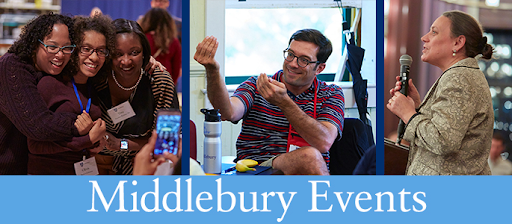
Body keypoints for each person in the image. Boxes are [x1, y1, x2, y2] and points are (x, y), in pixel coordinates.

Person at [194, 29, 345, 175]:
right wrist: (213, 71)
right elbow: (227, 112)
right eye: (290, 55)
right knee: (308, 157)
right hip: (259, 169)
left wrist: (284, 103)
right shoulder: (258, 85)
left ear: (319, 68)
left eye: (304, 60)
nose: (292, 64)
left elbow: (323, 142)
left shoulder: (331, 94)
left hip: (308, 172)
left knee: (309, 158)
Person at [387, 10, 494, 175]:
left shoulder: (460, 78)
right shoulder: (460, 75)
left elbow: (442, 141)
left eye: (434, 32)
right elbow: (448, 131)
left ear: (458, 43)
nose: (424, 37)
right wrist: (416, 108)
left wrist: (409, 115)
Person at [0, 13, 90, 174]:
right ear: (35, 44)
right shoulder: (12, 67)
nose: (60, 54)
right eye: (52, 46)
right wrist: (77, 124)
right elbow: (38, 125)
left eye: (67, 48)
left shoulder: (50, 71)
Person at [26, 15, 114, 174]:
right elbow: (34, 145)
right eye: (86, 49)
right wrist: (88, 140)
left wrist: (98, 142)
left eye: (101, 51)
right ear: (73, 49)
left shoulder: (93, 88)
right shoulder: (49, 84)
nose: (94, 57)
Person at [95, 19, 179, 175]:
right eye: (118, 54)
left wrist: (122, 144)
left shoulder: (158, 82)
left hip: (143, 166)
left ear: (145, 52)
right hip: (95, 165)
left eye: (134, 52)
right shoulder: (97, 78)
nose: (126, 61)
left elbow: (166, 142)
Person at [140, 7, 182, 84]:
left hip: (144, 82)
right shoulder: (173, 42)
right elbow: (176, 70)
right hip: (165, 82)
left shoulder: (141, 39)